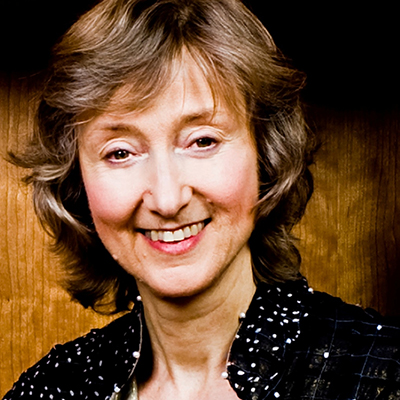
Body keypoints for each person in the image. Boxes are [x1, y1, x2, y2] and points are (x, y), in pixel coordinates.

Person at [3, 0, 400, 399]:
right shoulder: (49, 389)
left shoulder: (386, 371)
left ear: (266, 153)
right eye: (120, 151)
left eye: (202, 141)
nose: (167, 198)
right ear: (77, 182)